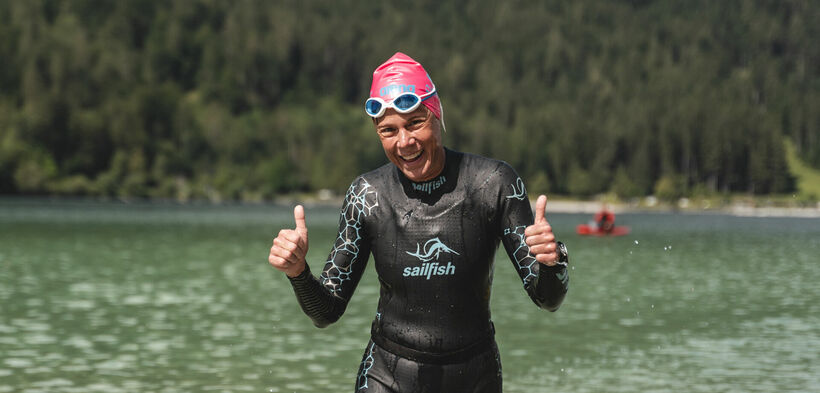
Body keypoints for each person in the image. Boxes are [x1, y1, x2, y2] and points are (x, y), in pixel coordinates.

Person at [268, 52, 569, 393]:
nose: (404, 142)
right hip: (387, 376)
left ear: (437, 115)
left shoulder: (493, 183)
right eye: (388, 130)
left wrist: (552, 260)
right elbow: (327, 312)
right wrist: (298, 273)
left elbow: (548, 299)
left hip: (474, 377)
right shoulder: (367, 195)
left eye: (415, 123)